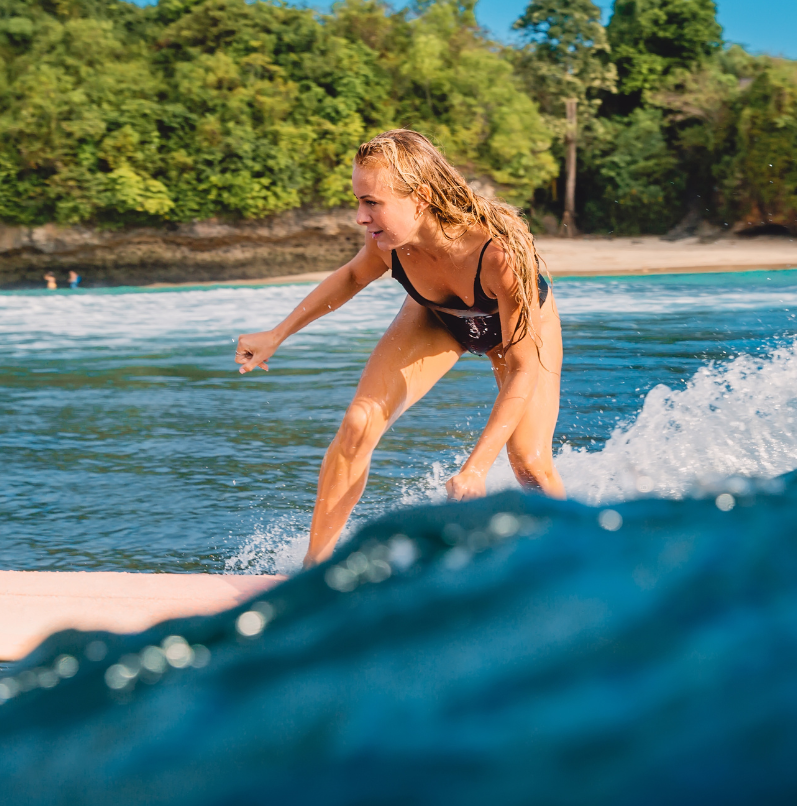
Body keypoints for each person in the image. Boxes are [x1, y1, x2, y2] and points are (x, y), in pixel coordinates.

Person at [235, 129, 565, 567]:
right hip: (438, 319)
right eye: (358, 201)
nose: (359, 216)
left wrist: (476, 469)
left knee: (529, 461)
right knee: (358, 422)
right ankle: (314, 571)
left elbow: (523, 368)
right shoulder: (389, 245)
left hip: (515, 334)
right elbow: (351, 277)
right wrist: (277, 334)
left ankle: (582, 558)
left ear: (421, 197)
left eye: (372, 203)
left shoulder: (498, 253)